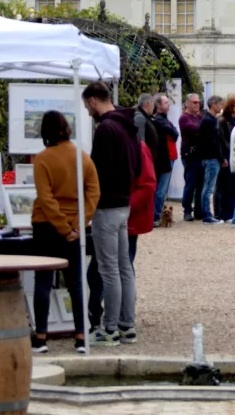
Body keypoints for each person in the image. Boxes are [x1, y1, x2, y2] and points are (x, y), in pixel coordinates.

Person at [30, 110, 100, 354]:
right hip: (75, 227)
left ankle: (41, 337)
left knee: (43, 281)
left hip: (46, 226)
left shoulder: (42, 159)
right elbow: (93, 193)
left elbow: (45, 197)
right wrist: (78, 225)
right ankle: (81, 336)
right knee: (76, 282)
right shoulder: (83, 158)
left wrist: (61, 225)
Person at [81, 80, 141, 346]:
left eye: (87, 106)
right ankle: (127, 325)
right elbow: (137, 164)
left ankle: (110, 329)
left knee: (109, 269)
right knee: (124, 267)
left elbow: (97, 172)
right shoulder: (129, 124)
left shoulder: (106, 128)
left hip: (106, 205)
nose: (87, 112)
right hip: (124, 202)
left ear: (94, 100)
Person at [88, 138, 155, 333]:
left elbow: (148, 185)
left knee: (111, 270)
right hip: (121, 215)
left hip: (123, 217)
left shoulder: (137, 147)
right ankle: (117, 320)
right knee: (112, 269)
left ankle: (111, 322)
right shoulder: (127, 145)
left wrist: (123, 208)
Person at [151, 92, 179, 225]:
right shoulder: (159, 121)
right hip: (164, 157)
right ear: (158, 105)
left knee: (161, 189)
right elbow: (173, 133)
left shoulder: (165, 120)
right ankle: (156, 216)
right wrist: (172, 131)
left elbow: (175, 133)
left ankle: (157, 215)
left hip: (168, 156)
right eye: (166, 102)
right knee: (161, 189)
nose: (168, 105)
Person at [198, 95, 226, 224]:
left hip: (207, 156)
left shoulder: (208, 119)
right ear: (213, 104)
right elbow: (214, 142)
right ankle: (207, 215)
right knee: (209, 187)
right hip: (211, 157)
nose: (221, 106)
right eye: (220, 104)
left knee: (208, 186)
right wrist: (221, 158)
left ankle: (206, 214)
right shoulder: (210, 121)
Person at [179, 94, 204, 222]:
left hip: (200, 154)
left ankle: (198, 210)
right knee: (190, 183)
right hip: (190, 154)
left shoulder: (200, 117)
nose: (197, 104)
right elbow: (195, 128)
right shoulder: (184, 118)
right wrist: (201, 131)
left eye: (198, 102)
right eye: (194, 102)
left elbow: (204, 130)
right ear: (187, 103)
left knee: (200, 184)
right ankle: (187, 210)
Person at [216, 98, 235, 221]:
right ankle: (222, 214)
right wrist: (223, 158)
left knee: (232, 186)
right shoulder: (222, 121)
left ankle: (230, 212)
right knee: (224, 186)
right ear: (230, 107)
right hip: (226, 156)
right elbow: (221, 141)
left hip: (233, 155)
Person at [133, 93, 159, 169]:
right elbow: (141, 143)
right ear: (147, 104)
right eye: (153, 104)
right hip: (145, 163)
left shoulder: (144, 116)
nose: (154, 107)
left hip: (149, 160)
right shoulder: (140, 117)